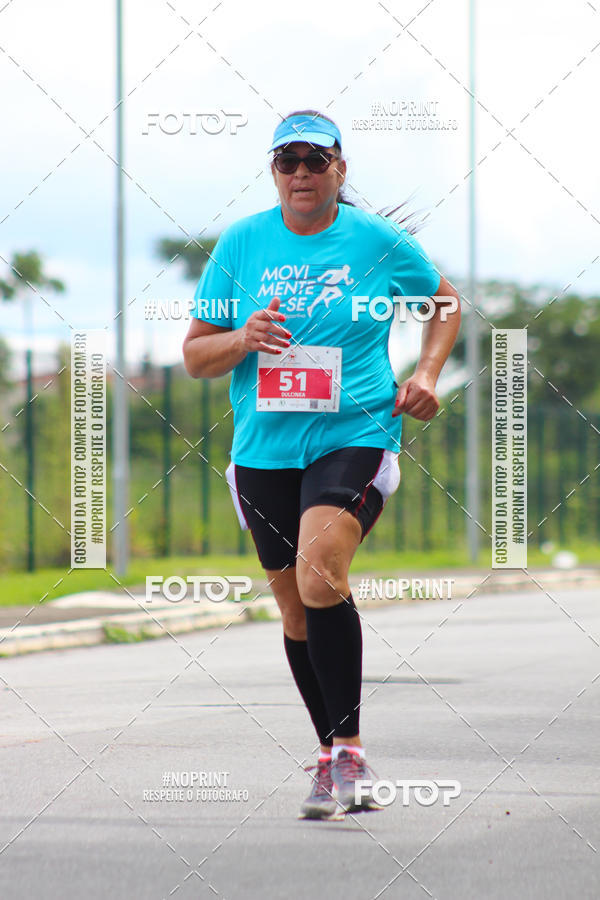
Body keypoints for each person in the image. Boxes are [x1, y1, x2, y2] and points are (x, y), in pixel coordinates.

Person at [183, 110, 461, 819]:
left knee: (319, 570)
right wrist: (244, 336)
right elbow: (194, 356)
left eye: (316, 160)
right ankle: (333, 754)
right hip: (263, 450)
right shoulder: (242, 244)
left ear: (340, 168)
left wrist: (427, 372)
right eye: (288, 161)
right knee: (298, 609)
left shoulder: (375, 242)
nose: (302, 173)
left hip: (354, 431)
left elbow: (444, 301)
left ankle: (351, 753)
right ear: (273, 171)